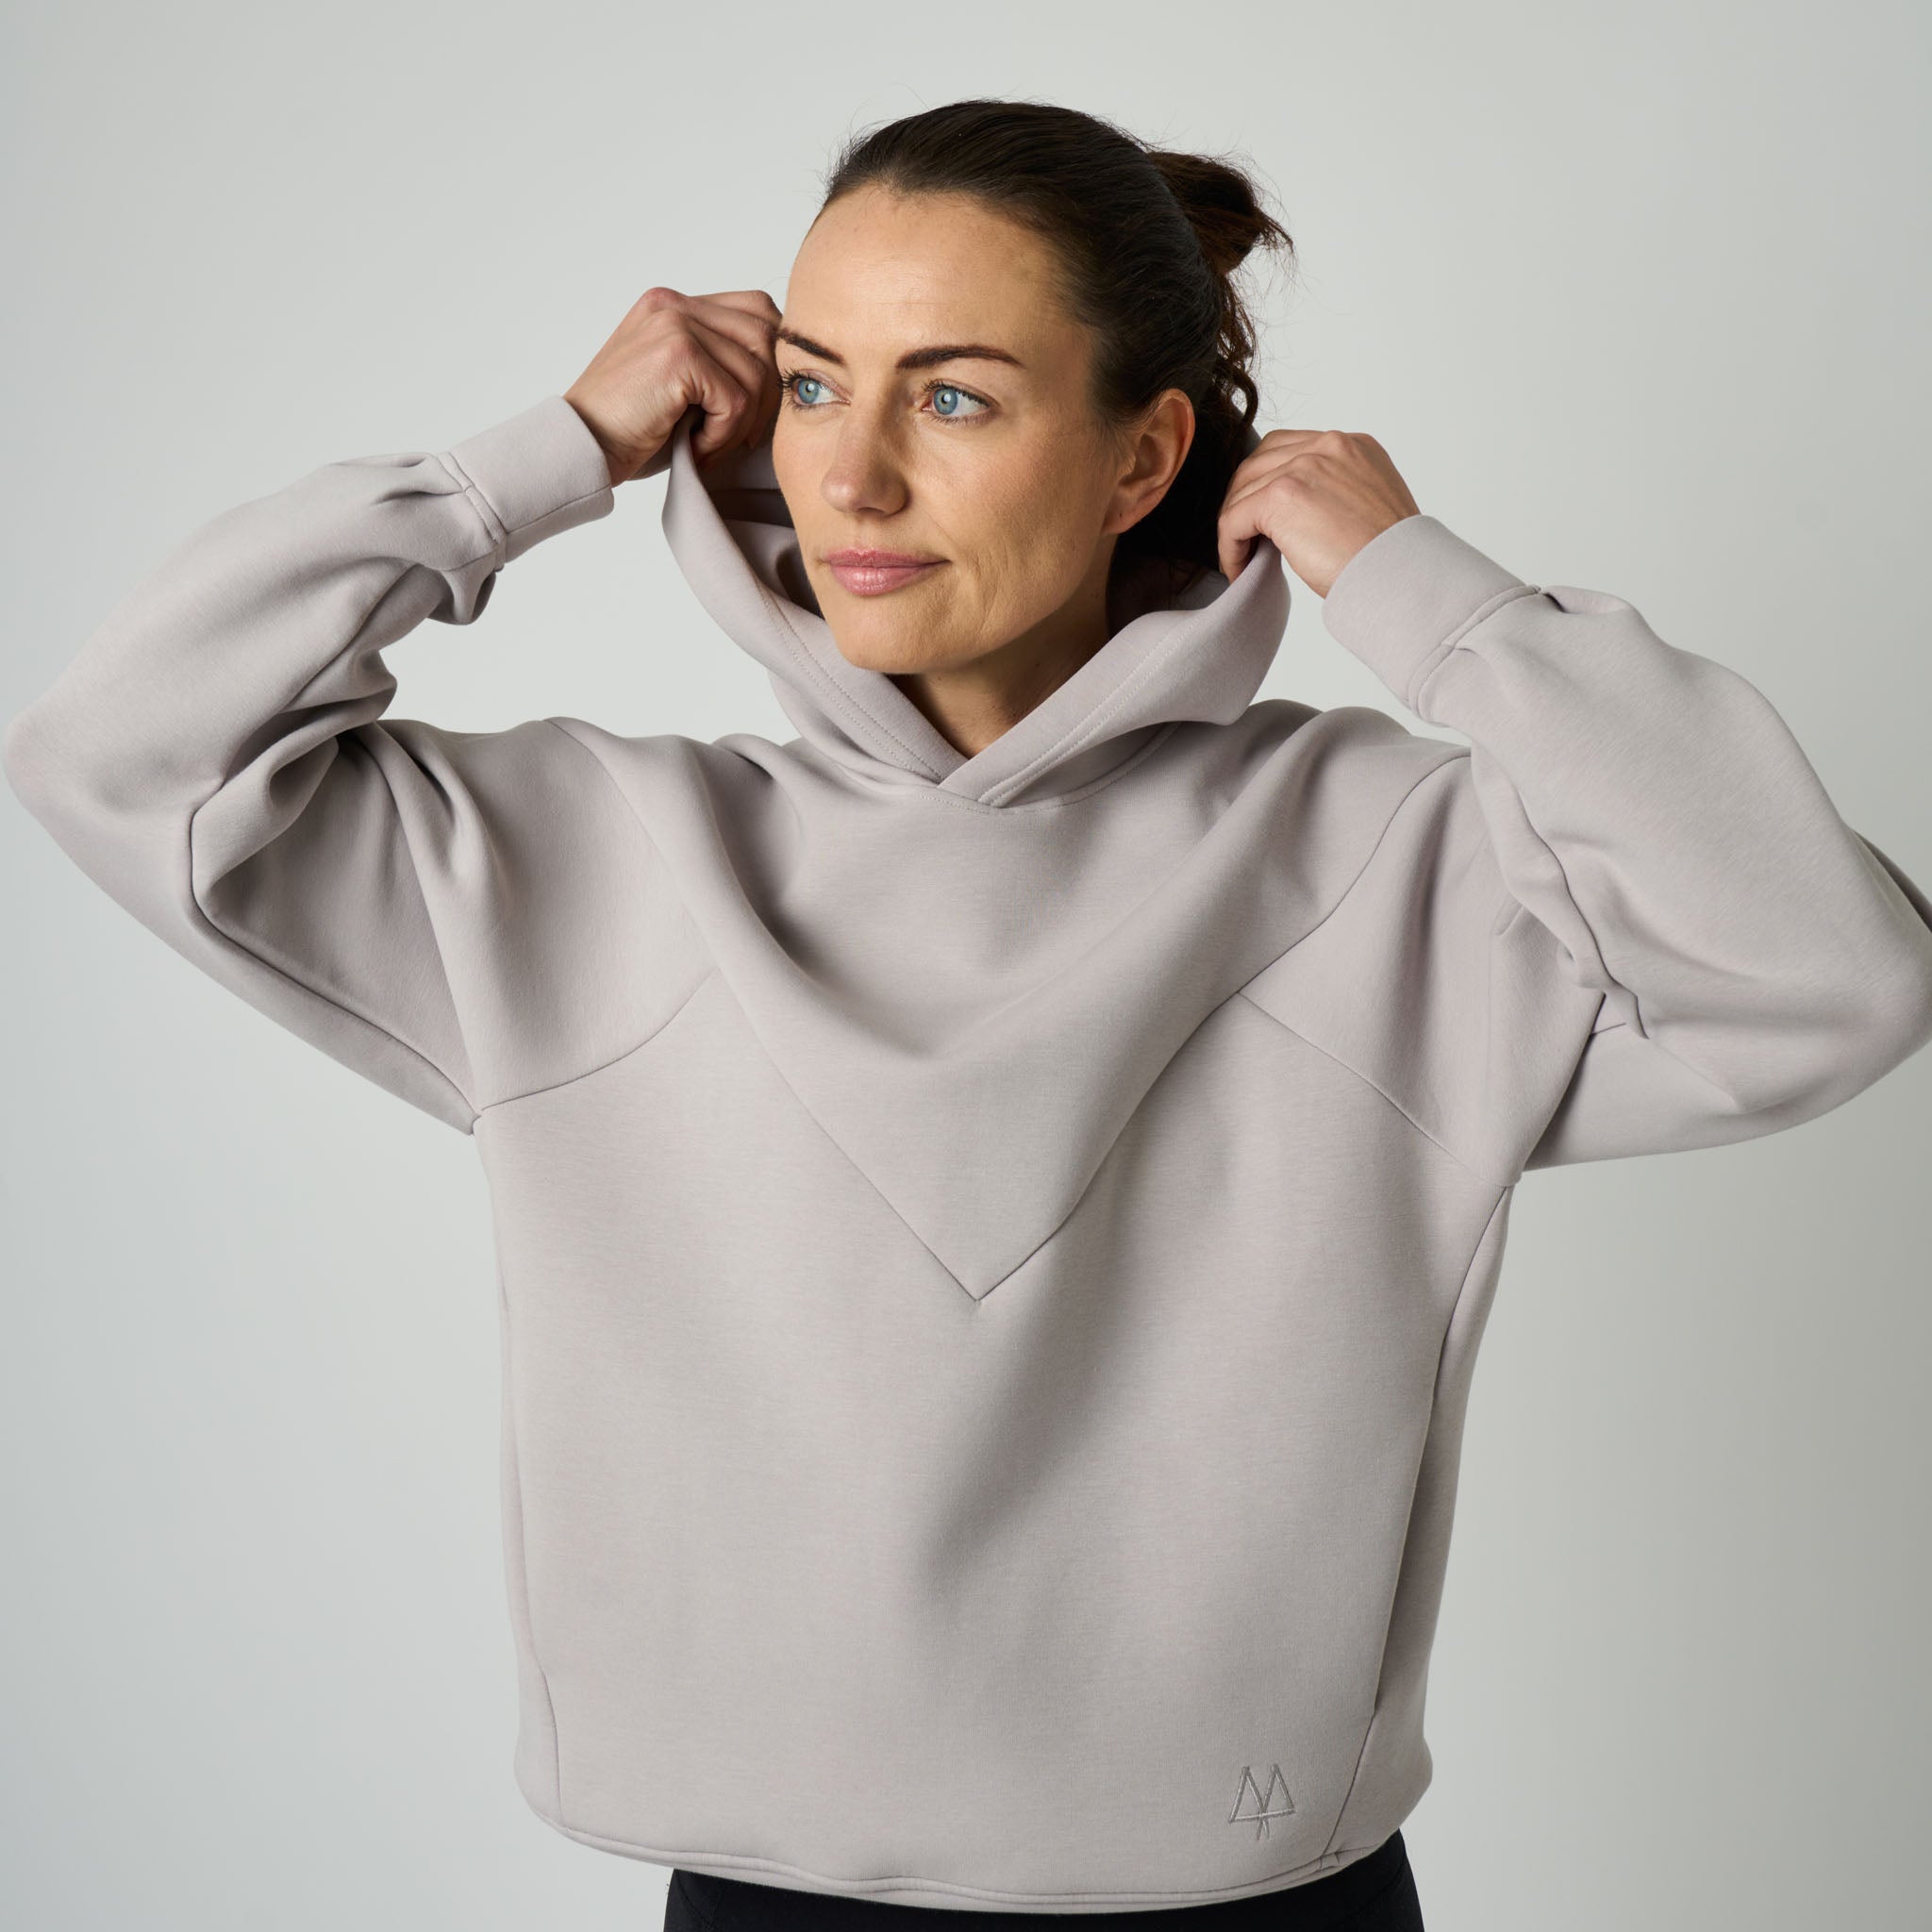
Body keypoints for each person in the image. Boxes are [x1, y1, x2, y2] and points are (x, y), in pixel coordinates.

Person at [7, 96, 1931, 1931]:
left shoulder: (1397, 861)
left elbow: (1827, 973)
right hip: (773, 1901)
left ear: (1142, 458)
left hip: (1261, 1907)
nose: (846, 473)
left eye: (951, 394)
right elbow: (121, 750)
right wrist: (539, 456)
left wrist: (1431, 597)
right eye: (820, 381)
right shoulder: (591, 859)